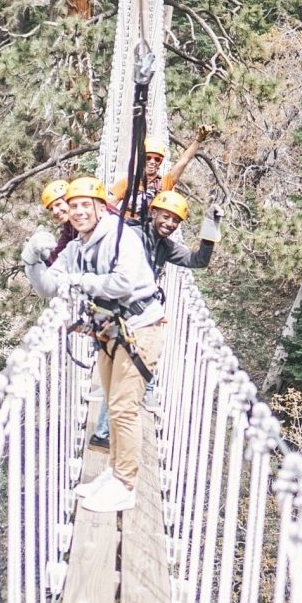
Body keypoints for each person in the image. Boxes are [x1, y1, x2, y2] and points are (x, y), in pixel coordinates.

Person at [21, 176, 165, 513]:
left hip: (139, 328)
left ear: (101, 207)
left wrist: (78, 280)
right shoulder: (75, 248)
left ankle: (126, 484)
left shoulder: (121, 238)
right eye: (73, 206)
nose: (79, 211)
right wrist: (32, 261)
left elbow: (123, 284)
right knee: (112, 405)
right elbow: (48, 287)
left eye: (87, 204)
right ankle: (115, 473)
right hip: (109, 330)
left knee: (123, 407)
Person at [88, 190, 222, 448]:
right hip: (120, 314)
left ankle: (105, 432)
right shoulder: (134, 236)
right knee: (126, 375)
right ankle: (104, 434)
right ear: (153, 213)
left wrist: (210, 226)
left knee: (124, 375)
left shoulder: (163, 246)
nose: (169, 224)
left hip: (134, 317)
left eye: (175, 221)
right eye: (166, 217)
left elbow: (198, 260)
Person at [108, 126, 210, 213]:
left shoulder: (164, 183)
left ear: (160, 162)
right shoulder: (127, 183)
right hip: (128, 230)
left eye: (157, 159)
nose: (152, 162)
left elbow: (183, 161)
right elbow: (109, 206)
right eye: (148, 157)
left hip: (150, 232)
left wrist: (198, 140)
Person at [39, 179, 77, 266]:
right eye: (51, 209)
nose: (55, 211)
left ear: (70, 201)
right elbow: (58, 255)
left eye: (58, 204)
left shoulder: (87, 221)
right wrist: (42, 254)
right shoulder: (69, 227)